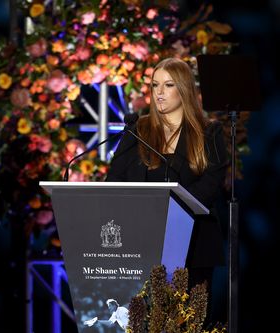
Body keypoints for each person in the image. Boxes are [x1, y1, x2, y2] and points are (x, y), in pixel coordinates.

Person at [106, 57, 227, 309]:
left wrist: (168, 213)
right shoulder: (138, 130)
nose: (159, 92)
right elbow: (114, 180)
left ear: (184, 89)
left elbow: (210, 185)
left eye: (168, 85)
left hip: (194, 246)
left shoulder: (209, 132)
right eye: (154, 85)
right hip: (139, 245)